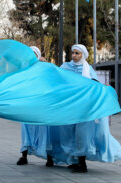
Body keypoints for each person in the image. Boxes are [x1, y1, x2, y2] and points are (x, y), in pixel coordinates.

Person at [47, 44, 121, 173]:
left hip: (84, 109)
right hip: (68, 107)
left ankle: (82, 163)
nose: (74, 56)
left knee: (83, 135)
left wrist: (104, 87)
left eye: (77, 53)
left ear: (83, 55)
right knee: (67, 134)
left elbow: (94, 85)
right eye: (73, 53)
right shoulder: (65, 67)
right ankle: (73, 160)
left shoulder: (88, 69)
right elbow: (55, 79)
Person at [17, 46, 53, 166]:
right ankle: (24, 155)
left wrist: (45, 64)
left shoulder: (43, 66)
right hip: (27, 103)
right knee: (26, 130)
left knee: (44, 130)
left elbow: (51, 79)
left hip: (41, 103)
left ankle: (49, 157)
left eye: (33, 53)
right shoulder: (23, 68)